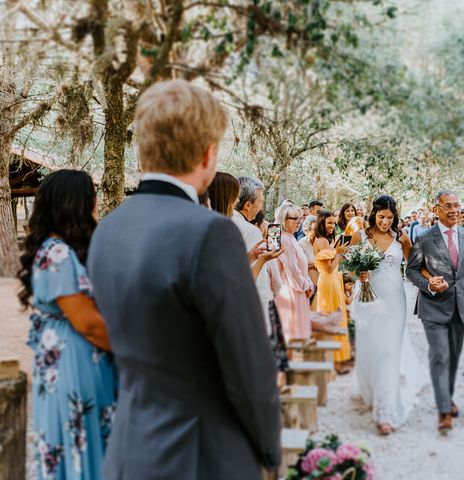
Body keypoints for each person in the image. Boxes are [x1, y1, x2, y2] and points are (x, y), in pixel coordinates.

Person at [88, 80, 281, 478]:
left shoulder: (108, 229)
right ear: (208, 153)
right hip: (199, 455)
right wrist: (270, 452)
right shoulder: (210, 233)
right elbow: (249, 365)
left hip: (128, 451)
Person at [17, 170, 117, 480]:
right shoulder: (58, 254)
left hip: (71, 361)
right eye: (91, 196)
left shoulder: (59, 250)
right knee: (79, 445)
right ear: (76, 203)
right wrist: (136, 347)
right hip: (75, 364)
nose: (96, 203)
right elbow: (86, 322)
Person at [406, 190, 464, 432]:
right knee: (439, 356)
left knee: (452, 358)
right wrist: (428, 284)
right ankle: (443, 410)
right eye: (447, 206)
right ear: (436, 210)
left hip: (461, 308)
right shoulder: (424, 237)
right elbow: (412, 270)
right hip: (433, 308)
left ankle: (446, 397)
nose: (453, 210)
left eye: (456, 205)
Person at [351, 195, 426, 435]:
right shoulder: (360, 236)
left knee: (389, 351)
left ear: (395, 217)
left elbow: (413, 267)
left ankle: (386, 410)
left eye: (390, 218)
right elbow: (349, 270)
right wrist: (357, 275)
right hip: (366, 301)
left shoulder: (401, 238)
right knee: (368, 348)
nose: (385, 221)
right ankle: (370, 392)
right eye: (381, 217)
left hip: (394, 301)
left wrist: (431, 281)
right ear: (374, 214)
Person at [233, 176, 283, 335]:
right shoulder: (251, 231)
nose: (261, 207)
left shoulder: (222, 221)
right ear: (248, 205)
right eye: (260, 201)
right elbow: (259, 281)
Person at [313, 210, 351, 373]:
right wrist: (339, 253)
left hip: (335, 280)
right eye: (329, 222)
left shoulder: (328, 240)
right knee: (332, 320)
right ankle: (334, 362)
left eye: (333, 223)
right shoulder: (320, 241)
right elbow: (329, 267)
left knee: (338, 318)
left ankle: (337, 360)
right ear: (321, 223)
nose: (332, 225)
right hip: (328, 282)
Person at [275, 203, 314, 340]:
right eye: (294, 218)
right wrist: (306, 285)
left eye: (300, 218)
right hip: (291, 291)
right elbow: (292, 270)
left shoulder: (290, 237)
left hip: (299, 290)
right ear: (283, 220)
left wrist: (308, 283)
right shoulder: (284, 239)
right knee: (292, 336)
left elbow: (301, 267)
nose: (299, 222)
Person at [298, 215, 318, 285]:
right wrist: (315, 265)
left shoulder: (322, 241)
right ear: (307, 230)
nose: (317, 232)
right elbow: (300, 266)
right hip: (308, 278)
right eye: (314, 230)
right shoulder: (301, 244)